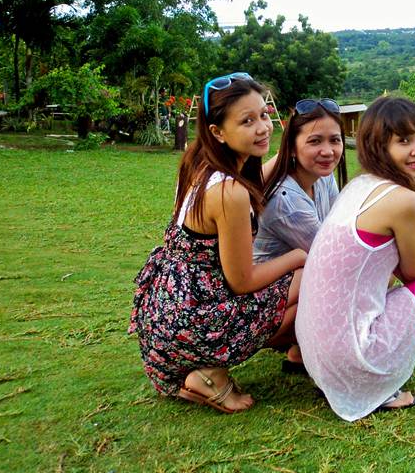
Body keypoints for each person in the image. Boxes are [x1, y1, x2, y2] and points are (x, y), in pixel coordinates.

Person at [295, 96, 415, 421]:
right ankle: (375, 384)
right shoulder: (403, 200)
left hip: (316, 354)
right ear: (379, 145)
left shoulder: (359, 185)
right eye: (404, 141)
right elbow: (413, 273)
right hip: (349, 355)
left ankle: (358, 376)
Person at [128, 73, 306, 413]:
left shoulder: (198, 164)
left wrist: (293, 152)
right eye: (247, 121)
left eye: (265, 115)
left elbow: (262, 171)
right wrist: (298, 256)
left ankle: (202, 369)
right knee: (310, 278)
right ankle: (210, 373)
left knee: (294, 295)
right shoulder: (230, 193)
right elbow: (242, 281)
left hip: (167, 313)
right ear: (218, 132)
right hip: (194, 322)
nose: (263, 127)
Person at [253, 98, 346, 260]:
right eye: (315, 141)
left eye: (335, 140)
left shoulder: (323, 175)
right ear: (292, 148)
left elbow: (337, 223)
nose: (328, 151)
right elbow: (332, 256)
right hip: (274, 283)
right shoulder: (286, 202)